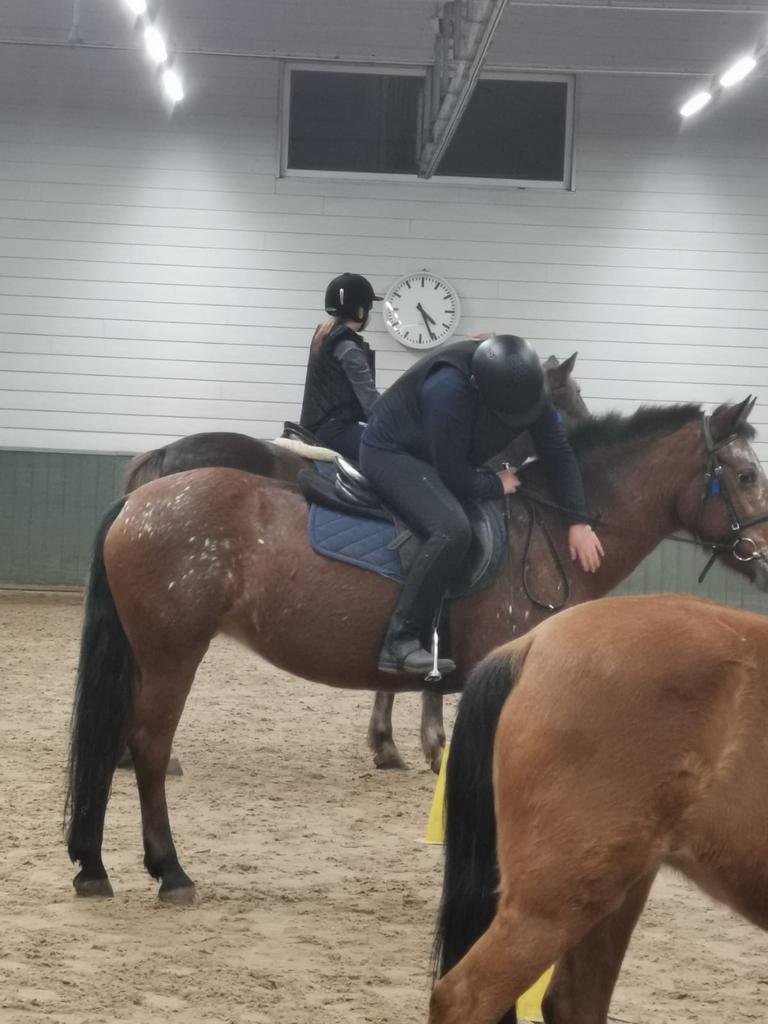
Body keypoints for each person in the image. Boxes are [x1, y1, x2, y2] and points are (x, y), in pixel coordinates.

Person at [360, 334, 604, 676]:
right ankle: (399, 640)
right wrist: (495, 483)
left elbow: (558, 452)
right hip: (393, 452)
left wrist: (578, 521)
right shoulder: (448, 390)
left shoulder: (530, 390)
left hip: (442, 454)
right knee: (452, 529)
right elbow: (453, 473)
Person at [299, 273, 382, 462]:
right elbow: (369, 400)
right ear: (361, 312)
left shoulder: (323, 335)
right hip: (337, 430)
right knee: (388, 449)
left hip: (316, 426)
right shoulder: (348, 347)